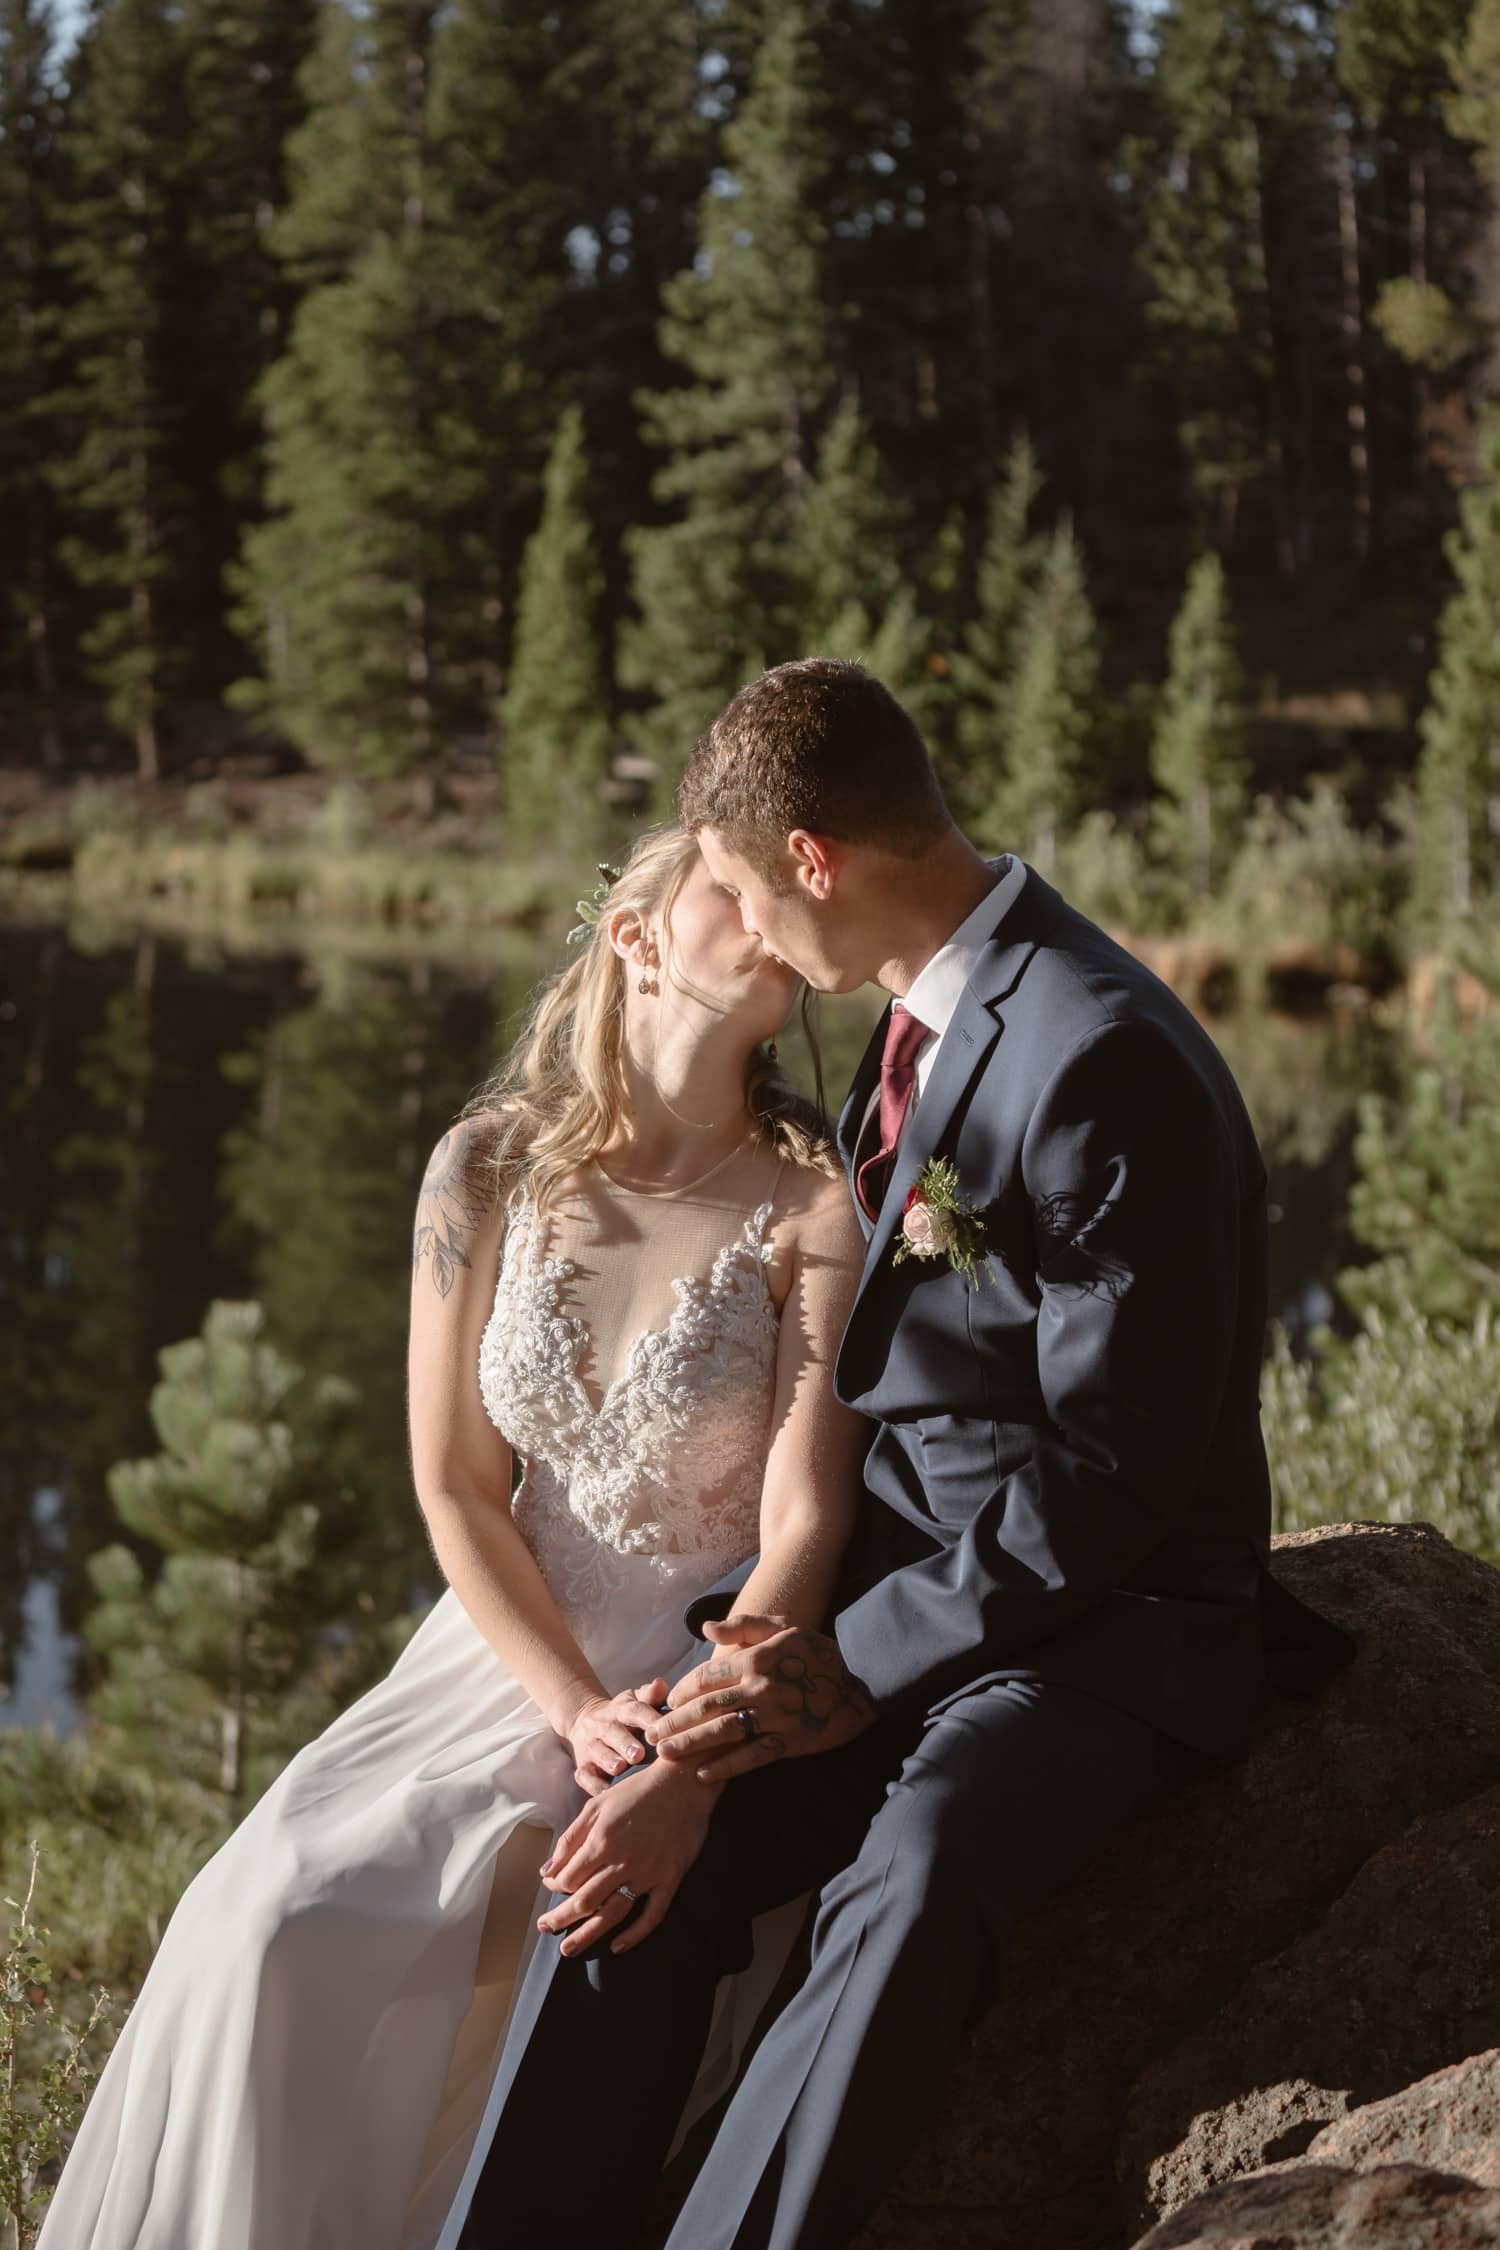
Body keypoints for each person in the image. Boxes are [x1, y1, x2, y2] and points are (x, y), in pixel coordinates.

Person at [452, 656, 1357, 2250]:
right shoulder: (927, 1020)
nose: (739, 928)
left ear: (812, 860)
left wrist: (830, 1669)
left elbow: (1105, 1483)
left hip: (1098, 1628)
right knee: (641, 1827)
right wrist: (732, 1690)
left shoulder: (1099, 1055)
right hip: (914, 1577)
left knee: (917, 1865)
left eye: (734, 880)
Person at [35, 823, 873, 2250]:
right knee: (256, 1923)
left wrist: (689, 1739)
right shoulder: (483, 1168)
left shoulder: (814, 1207)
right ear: (637, 936)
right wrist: (573, 1702)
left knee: (433, 1957)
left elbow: (809, 1511)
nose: (773, 905)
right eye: (729, 887)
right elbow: (453, 1485)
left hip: (688, 1669)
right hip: (504, 1659)